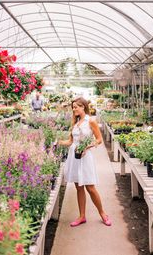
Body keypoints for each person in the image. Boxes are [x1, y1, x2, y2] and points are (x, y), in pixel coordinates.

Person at [58, 97, 111, 227]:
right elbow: (71, 142)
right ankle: (82, 216)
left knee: (90, 187)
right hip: (74, 156)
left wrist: (88, 146)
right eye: (73, 107)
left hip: (85, 156)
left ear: (83, 107)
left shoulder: (90, 121)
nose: (74, 109)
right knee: (79, 187)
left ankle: (103, 213)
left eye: (76, 106)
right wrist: (57, 142)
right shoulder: (75, 123)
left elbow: (99, 140)